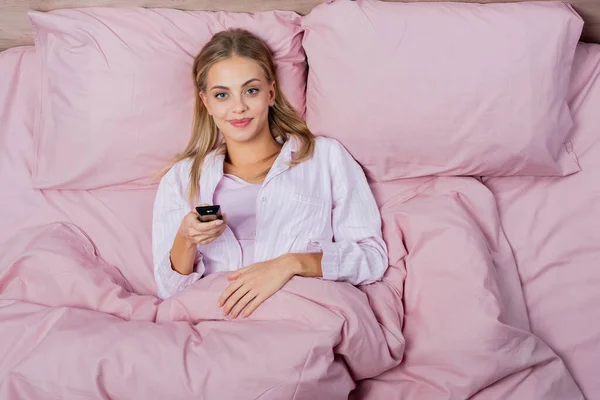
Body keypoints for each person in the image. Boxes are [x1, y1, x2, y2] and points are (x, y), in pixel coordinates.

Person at [152, 28, 388, 318]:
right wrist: (186, 238)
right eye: (222, 95)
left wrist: (291, 264)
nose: (238, 107)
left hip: (300, 313)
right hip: (212, 321)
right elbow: (169, 290)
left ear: (271, 93)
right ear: (207, 103)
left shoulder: (325, 158)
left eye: (251, 90)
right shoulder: (181, 178)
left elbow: (372, 258)